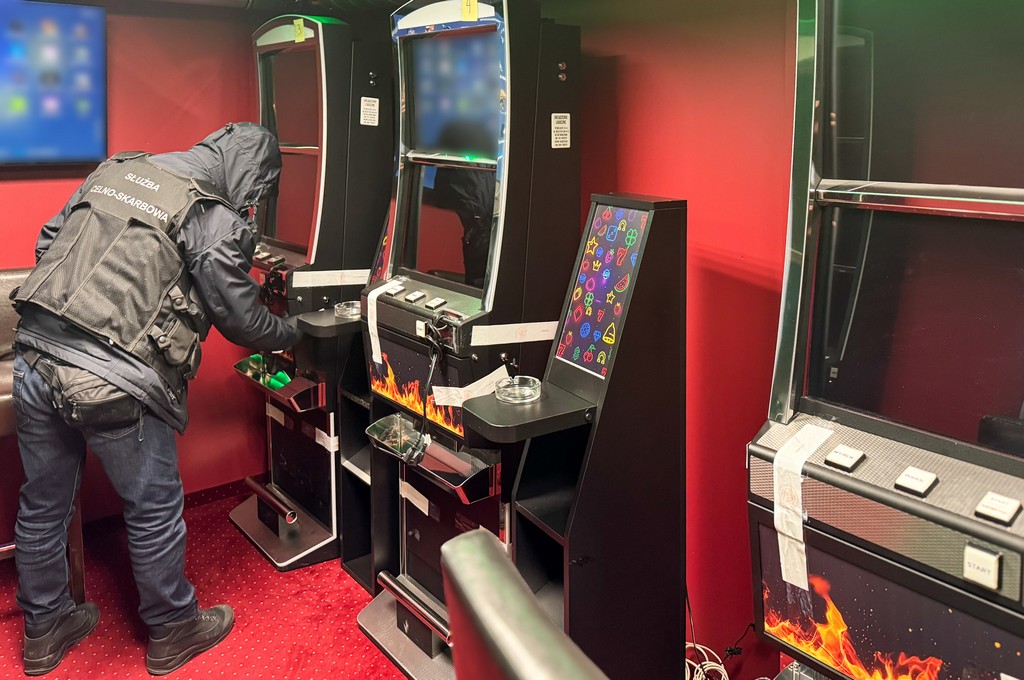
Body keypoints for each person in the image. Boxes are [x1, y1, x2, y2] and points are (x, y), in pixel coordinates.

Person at [9, 123, 302, 676]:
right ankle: (173, 628)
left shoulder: (117, 168)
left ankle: (44, 630)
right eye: (258, 192)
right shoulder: (209, 214)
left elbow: (48, 244)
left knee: (43, 504)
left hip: (35, 354)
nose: (254, 203)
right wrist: (296, 335)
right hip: (113, 381)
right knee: (153, 507)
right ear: (251, 178)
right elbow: (241, 320)